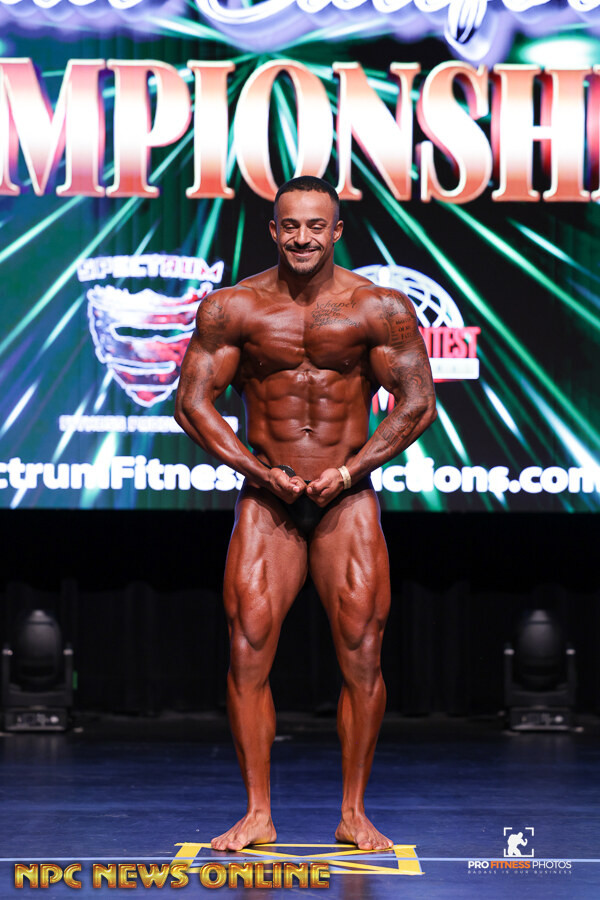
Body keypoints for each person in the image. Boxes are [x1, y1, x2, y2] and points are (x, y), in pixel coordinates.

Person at [175, 176, 437, 852]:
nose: (302, 238)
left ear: (336, 231)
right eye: (290, 225)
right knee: (247, 649)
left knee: (363, 653)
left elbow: (417, 403)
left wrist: (349, 471)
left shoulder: (378, 308)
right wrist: (259, 471)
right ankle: (258, 813)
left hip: (346, 496)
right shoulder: (233, 308)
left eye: (315, 226)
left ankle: (353, 813)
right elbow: (192, 403)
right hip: (270, 498)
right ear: (273, 230)